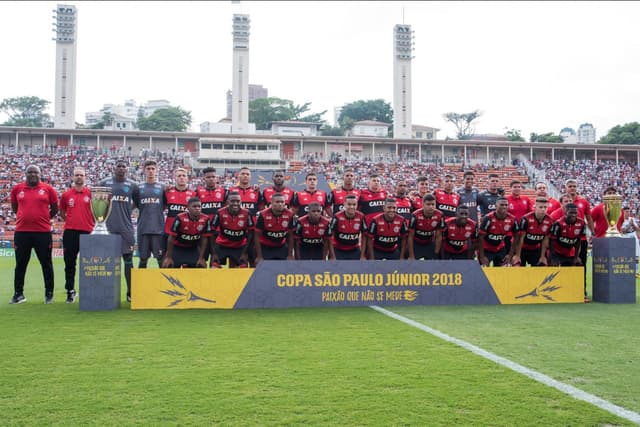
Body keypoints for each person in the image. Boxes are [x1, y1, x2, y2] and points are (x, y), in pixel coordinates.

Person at [9, 164, 59, 304]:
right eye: (30, 172)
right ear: (26, 174)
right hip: (22, 232)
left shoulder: (48, 189)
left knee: (46, 263)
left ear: (40, 174)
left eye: (35, 172)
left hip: (42, 233)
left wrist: (44, 218)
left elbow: (55, 208)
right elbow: (15, 207)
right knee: (20, 264)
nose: (32, 174)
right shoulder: (17, 189)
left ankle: (49, 294)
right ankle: (18, 294)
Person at [100, 159, 139, 303]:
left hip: (126, 228)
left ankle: (131, 292)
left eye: (124, 166)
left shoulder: (132, 185)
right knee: (107, 262)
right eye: (119, 166)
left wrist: (128, 209)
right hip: (108, 227)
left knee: (128, 260)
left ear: (127, 169)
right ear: (114, 168)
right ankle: (107, 292)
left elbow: (138, 201)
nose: (121, 168)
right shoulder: (104, 183)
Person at [59, 167, 94, 303]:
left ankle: (89, 290)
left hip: (88, 232)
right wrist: (71, 221)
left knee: (89, 264)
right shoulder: (67, 195)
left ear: (85, 177)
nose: (79, 177)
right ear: (73, 177)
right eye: (77, 175)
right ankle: (70, 291)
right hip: (70, 232)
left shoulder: (91, 193)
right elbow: (62, 213)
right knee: (69, 263)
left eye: (81, 175)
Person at [162, 197, 210, 268]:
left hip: (193, 248)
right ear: (188, 207)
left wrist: (201, 258)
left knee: (202, 266)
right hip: (178, 247)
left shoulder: (205, 218)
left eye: (199, 206)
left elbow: (204, 238)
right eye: (194, 206)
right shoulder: (180, 218)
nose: (197, 208)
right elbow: (171, 237)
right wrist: (168, 257)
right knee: (167, 265)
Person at [210, 191, 254, 268]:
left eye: (238, 201)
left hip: (239, 246)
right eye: (232, 201)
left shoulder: (247, 213)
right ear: (227, 202)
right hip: (222, 246)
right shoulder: (220, 212)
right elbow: (212, 232)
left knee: (242, 269)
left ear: (241, 202)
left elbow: (251, 233)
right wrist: (214, 253)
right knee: (214, 267)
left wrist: (244, 252)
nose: (235, 203)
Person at [135, 160, 165, 269]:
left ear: (156, 170)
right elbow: (135, 204)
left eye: (153, 169)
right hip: (143, 229)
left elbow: (164, 205)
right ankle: (140, 286)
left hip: (158, 229)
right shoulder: (138, 188)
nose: (151, 171)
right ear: (144, 170)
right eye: (148, 169)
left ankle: (164, 285)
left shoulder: (162, 187)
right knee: (143, 260)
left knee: (161, 260)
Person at [195, 167, 227, 264]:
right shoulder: (198, 192)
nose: (211, 179)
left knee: (216, 261)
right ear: (204, 178)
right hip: (202, 231)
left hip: (218, 232)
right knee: (201, 260)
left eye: (213, 176)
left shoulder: (223, 192)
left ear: (217, 178)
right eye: (208, 177)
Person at [254, 193, 295, 262]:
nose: (280, 204)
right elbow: (257, 236)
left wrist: (290, 255)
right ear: (272, 203)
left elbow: (290, 236)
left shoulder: (290, 214)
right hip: (265, 247)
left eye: (282, 202)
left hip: (281, 246)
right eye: (277, 202)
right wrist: (259, 256)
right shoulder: (263, 215)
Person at [163, 167, 195, 256]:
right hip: (169, 231)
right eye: (179, 176)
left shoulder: (193, 194)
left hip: (186, 232)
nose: (181, 177)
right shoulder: (168, 192)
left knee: (185, 261)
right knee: (169, 260)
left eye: (184, 176)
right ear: (175, 178)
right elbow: (162, 207)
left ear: (187, 178)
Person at [477, 197, 518, 267]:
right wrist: (482, 256)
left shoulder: (512, 219)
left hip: (500, 249)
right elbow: (480, 237)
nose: (504, 207)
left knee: (504, 270)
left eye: (506, 205)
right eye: (502, 205)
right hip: (486, 249)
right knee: (484, 269)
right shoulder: (488, 218)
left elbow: (516, 237)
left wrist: (510, 255)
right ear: (496, 206)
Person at [513, 197, 553, 267]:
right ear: (535, 207)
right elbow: (520, 238)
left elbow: (545, 239)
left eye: (545, 207)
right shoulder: (526, 219)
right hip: (522, 248)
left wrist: (542, 256)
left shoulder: (550, 220)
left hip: (536, 248)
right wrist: (517, 255)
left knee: (542, 266)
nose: (543, 209)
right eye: (540, 207)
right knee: (517, 267)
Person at [327, 194, 367, 260]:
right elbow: (329, 236)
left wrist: (362, 255)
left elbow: (364, 236)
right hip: (338, 250)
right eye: (349, 204)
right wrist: (332, 255)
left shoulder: (361, 216)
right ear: (344, 204)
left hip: (354, 250)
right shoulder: (337, 217)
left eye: (354, 204)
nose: (351, 207)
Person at [407, 194, 444, 260]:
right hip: (416, 244)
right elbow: (410, 236)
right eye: (428, 204)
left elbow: (439, 236)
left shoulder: (440, 215)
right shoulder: (415, 215)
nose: (431, 207)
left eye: (433, 204)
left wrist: (436, 252)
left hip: (429, 243)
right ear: (423, 204)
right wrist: (411, 255)